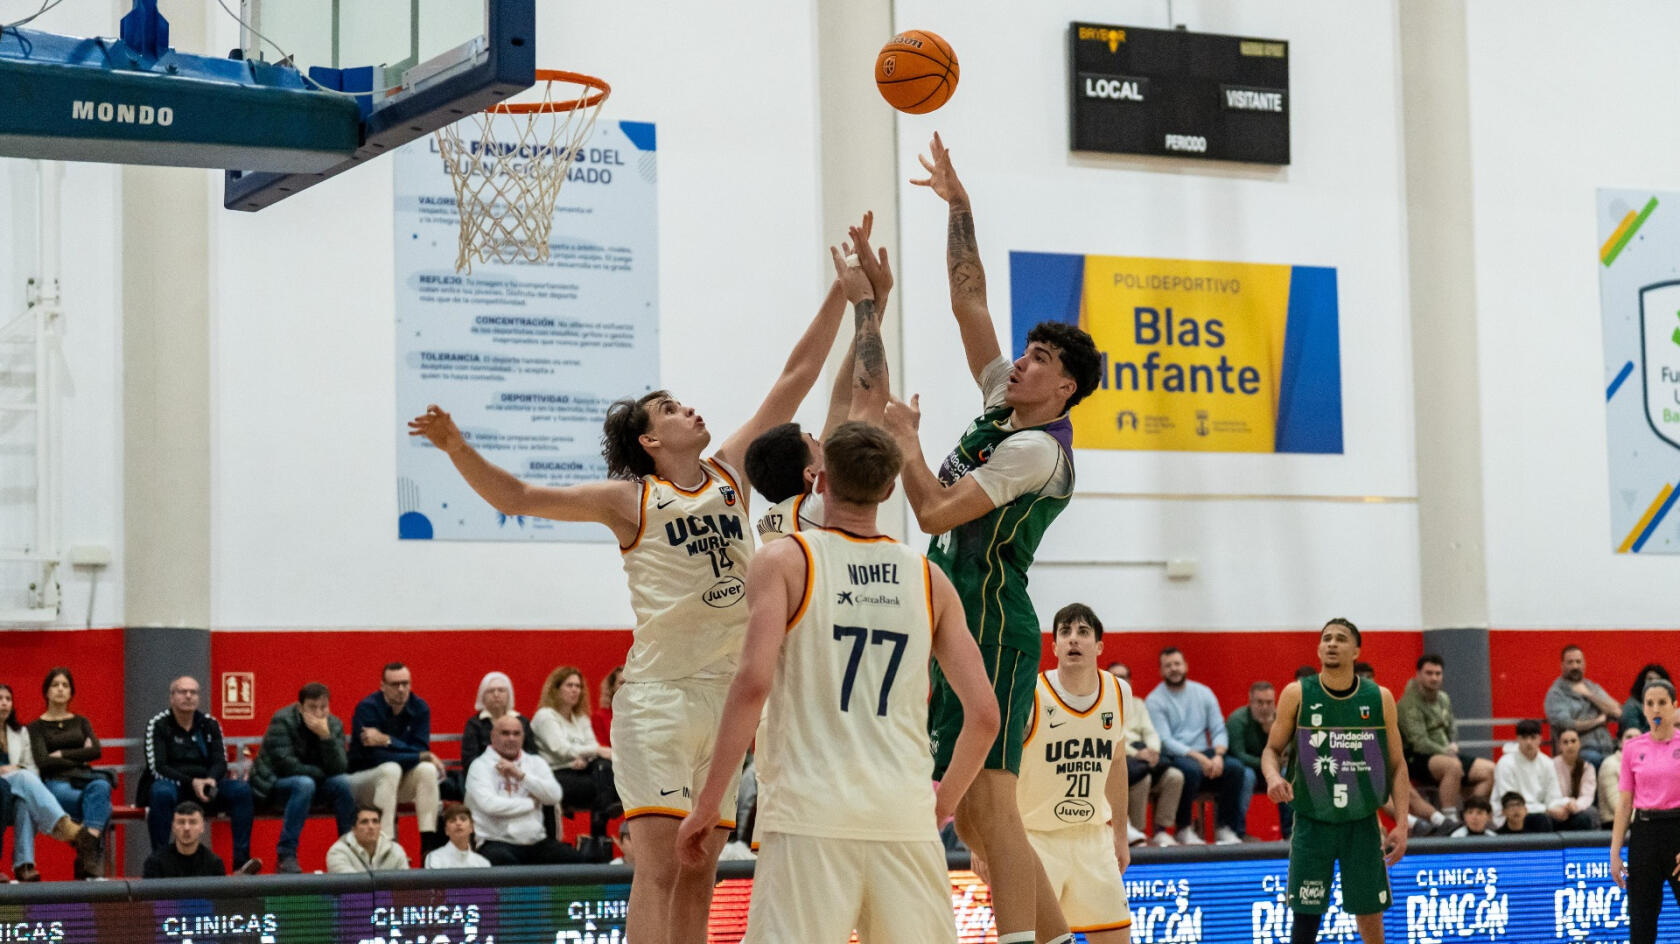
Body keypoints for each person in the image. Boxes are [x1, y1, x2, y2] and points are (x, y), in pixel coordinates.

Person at [410, 240, 853, 944]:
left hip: (727, 699)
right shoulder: (628, 499)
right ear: (649, 440)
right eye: (672, 409)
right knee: (659, 870)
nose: (690, 409)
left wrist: (844, 290)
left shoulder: (729, 473)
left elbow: (796, 375)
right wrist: (459, 448)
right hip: (656, 699)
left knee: (702, 866)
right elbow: (520, 494)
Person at [879, 133, 1101, 944]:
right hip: (947, 611)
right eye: (1027, 353)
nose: (1020, 363)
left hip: (992, 621)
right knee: (975, 822)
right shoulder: (1003, 402)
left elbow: (935, 514)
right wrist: (959, 206)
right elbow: (968, 301)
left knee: (993, 805)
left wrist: (902, 441)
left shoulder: (1036, 448)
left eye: (1038, 359)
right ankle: (1054, 938)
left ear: (1064, 387)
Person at [674, 421, 998, 943]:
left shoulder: (784, 559)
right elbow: (984, 715)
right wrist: (941, 804)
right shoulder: (928, 577)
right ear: (890, 488)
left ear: (819, 482)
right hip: (902, 817)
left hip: (809, 814)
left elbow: (753, 684)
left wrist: (709, 804)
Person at [748, 212, 896, 545]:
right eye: (816, 443)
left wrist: (876, 303)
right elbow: (869, 396)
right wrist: (863, 302)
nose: (824, 440)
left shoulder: (789, 514)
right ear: (813, 476)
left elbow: (845, 400)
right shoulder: (817, 507)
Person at [1261, 618, 1409, 944]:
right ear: (1318, 648)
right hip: (1313, 822)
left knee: (1370, 916)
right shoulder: (1297, 693)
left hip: (1363, 823)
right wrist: (1272, 777)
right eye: (1326, 638)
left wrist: (1401, 823)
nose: (1331, 643)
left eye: (1340, 639)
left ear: (1356, 650)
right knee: (1306, 918)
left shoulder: (1379, 697)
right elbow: (1271, 750)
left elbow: (1398, 766)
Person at [1016, 604, 1133, 943]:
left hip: (1093, 838)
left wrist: (1121, 835)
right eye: (1064, 632)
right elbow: (997, 769)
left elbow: (1116, 763)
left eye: (1083, 632)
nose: (1073, 640)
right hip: (1036, 840)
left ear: (1099, 646)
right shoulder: (1031, 694)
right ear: (1053, 647)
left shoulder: (1119, 692)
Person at [139, 675, 258, 873]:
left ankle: (241, 863)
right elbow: (157, 766)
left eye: (193, 692)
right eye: (182, 692)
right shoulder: (158, 724)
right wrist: (191, 782)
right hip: (174, 787)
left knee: (241, 790)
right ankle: (159, 862)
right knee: (160, 792)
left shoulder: (209, 724)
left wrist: (210, 779)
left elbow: (221, 761)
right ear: (172, 697)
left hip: (206, 787)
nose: (188, 696)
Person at [1147, 648, 1253, 844]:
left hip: (1207, 754)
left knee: (1236, 769)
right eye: (1168, 666)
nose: (1174, 669)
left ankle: (1225, 828)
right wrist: (1199, 757)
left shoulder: (1204, 693)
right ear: (1161, 671)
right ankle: (1183, 828)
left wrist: (1218, 756)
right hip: (1176, 755)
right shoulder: (1155, 700)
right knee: (1191, 771)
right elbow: (1164, 740)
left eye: (1177, 664)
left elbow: (1219, 729)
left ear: (1185, 666)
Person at [249, 682, 358, 873]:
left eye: (323, 707)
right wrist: (321, 774)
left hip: (312, 786)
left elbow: (340, 768)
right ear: (300, 708)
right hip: (274, 785)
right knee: (304, 783)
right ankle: (286, 854)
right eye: (312, 707)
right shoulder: (282, 720)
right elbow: (286, 765)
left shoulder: (333, 725)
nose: (318, 713)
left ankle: (350, 850)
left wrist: (326, 738)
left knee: (342, 783)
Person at [0, 683, 94, 882]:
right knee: (23, 778)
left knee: (25, 800)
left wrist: (18, 770)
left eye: (8, 699)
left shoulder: (20, 733)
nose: (4, 704)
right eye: (0, 699)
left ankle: (24, 865)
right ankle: (64, 826)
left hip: (15, 791)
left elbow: (32, 768)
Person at [347, 662, 445, 853]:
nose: (401, 689)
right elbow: (374, 757)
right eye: (395, 684)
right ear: (382, 686)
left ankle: (428, 847)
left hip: (395, 781)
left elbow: (421, 752)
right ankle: (387, 846)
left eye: (405, 683)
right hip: (364, 781)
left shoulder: (420, 708)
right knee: (391, 768)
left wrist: (387, 741)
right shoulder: (367, 708)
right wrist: (415, 755)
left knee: (427, 770)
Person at [1611, 678, 1680, 944]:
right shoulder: (1633, 747)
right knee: (1641, 919)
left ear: (1674, 706)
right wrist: (1615, 852)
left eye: (1662, 702)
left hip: (1677, 831)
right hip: (1644, 833)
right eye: (1650, 704)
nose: (1656, 709)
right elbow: (1624, 803)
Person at [465, 715, 587, 865]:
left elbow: (555, 795)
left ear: (523, 737)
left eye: (516, 734)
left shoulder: (536, 762)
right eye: (505, 733)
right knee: (504, 863)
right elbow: (490, 805)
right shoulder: (479, 766)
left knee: (575, 861)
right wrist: (530, 803)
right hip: (496, 841)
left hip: (535, 841)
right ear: (493, 736)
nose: (511, 738)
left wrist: (521, 776)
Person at [1396, 654, 1495, 835]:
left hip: (1446, 753)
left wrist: (1453, 744)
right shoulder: (1407, 704)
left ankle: (1469, 814)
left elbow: (1452, 728)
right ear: (1418, 674)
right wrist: (1446, 752)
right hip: (1416, 758)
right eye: (1429, 673)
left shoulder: (1444, 698)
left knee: (1489, 770)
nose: (1434, 678)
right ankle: (1449, 821)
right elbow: (1419, 742)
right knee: (1453, 766)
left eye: (1438, 673)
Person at [27, 667, 110, 878]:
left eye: (65, 685)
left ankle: (85, 853)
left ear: (71, 692)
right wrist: (80, 753)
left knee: (102, 786)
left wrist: (61, 753)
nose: (60, 689)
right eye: (55, 685)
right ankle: (89, 856)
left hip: (84, 778)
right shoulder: (36, 727)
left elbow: (95, 751)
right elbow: (43, 762)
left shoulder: (81, 721)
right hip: (56, 783)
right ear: (46, 691)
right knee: (102, 806)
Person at [531, 665, 618, 842]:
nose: (575, 690)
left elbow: (590, 748)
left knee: (603, 767)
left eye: (578, 686)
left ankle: (599, 831)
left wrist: (587, 756)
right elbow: (560, 749)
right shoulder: (545, 716)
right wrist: (592, 752)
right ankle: (599, 832)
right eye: (569, 685)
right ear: (556, 689)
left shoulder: (581, 719)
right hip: (554, 774)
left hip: (581, 771)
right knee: (603, 781)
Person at [1108, 662, 1183, 847]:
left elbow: (1150, 731)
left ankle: (1161, 831)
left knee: (1175, 776)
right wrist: (1136, 753)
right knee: (1144, 777)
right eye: (1115, 677)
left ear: (1130, 681)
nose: (1120, 681)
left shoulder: (1138, 704)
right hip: (1122, 759)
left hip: (1144, 756)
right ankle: (1136, 832)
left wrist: (1153, 751)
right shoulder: (1101, 705)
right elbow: (1109, 740)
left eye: (1124, 676)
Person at [1228, 681, 1287, 839]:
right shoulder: (1237, 720)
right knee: (1245, 776)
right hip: (1246, 767)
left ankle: (1290, 833)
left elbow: (1288, 753)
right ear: (1250, 701)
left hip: (1273, 768)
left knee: (1288, 773)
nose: (1265, 707)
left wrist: (1271, 733)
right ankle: (1238, 832)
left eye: (1269, 703)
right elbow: (1238, 754)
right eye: (1259, 702)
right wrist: (1269, 766)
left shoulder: (1281, 720)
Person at [1545, 645, 1621, 767]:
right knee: (1598, 761)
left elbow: (1616, 711)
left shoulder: (1591, 687)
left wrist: (1588, 694)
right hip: (1579, 752)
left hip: (1607, 748)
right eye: (1570, 662)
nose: (1575, 666)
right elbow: (1567, 724)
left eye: (1578, 662)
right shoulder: (1556, 693)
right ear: (1562, 665)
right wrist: (1597, 721)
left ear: (1584, 664)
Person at [1490, 719, 1567, 831]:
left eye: (1533, 737)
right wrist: (1546, 809)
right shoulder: (1505, 763)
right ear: (1517, 739)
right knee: (1541, 820)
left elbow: (1553, 796)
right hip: (1510, 816)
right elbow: (1510, 802)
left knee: (1579, 819)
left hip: (1543, 812)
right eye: (1524, 738)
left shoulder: (1547, 763)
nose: (1529, 742)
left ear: (1540, 739)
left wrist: (1559, 808)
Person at [461, 671, 536, 770]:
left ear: (509, 695)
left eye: (501, 690)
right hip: (485, 774)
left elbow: (532, 754)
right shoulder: (475, 724)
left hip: (520, 773)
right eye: (491, 691)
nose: (496, 694)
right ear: (482, 696)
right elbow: (469, 759)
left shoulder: (522, 722)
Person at [142, 801, 233, 878]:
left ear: (202, 827)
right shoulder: (155, 863)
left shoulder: (214, 863)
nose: (186, 828)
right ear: (173, 827)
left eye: (193, 822)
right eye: (181, 822)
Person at [326, 804, 410, 873]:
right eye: (364, 822)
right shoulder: (338, 852)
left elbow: (405, 887)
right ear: (353, 828)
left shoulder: (395, 850)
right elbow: (350, 888)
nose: (371, 826)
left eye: (375, 821)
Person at [1554, 728, 1602, 830]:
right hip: (1557, 807)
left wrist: (1575, 806)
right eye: (1565, 742)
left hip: (1578, 808)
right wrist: (1565, 803)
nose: (1570, 745)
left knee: (1591, 814)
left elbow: (1587, 796)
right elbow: (1551, 794)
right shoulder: (1551, 765)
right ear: (1560, 746)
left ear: (1579, 744)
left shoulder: (1587, 768)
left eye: (1573, 741)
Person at [425, 802, 491, 869]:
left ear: (472, 827)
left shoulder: (482, 863)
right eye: (452, 820)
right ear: (446, 830)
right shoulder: (434, 858)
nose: (458, 823)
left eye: (463, 819)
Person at [1601, 725, 1642, 823]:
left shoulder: (1647, 765)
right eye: (1629, 737)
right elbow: (1616, 805)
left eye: (1638, 738)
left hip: (1640, 819)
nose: (1633, 741)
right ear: (1620, 743)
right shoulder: (1610, 764)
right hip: (1614, 821)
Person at [1622, 665, 1672, 738]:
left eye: (1658, 680)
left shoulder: (1667, 706)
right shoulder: (1632, 705)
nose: (1653, 682)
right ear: (1642, 682)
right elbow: (1633, 736)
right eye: (1650, 679)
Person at [593, 666, 624, 748]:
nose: (626, 686)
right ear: (612, 687)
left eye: (629, 683)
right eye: (621, 683)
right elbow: (603, 749)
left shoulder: (641, 714)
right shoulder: (599, 717)